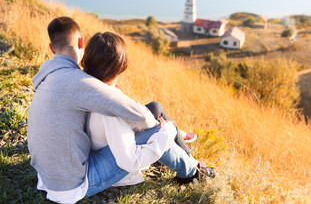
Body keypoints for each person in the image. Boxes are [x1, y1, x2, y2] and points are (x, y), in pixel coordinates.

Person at [26, 17, 212, 203]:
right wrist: (167, 130)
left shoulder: (51, 77)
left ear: (51, 48)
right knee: (158, 128)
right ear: (81, 41)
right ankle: (191, 171)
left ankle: (187, 161)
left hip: (47, 174)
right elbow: (136, 119)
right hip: (71, 184)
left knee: (154, 116)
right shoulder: (80, 82)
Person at [81, 32, 215, 198]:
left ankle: (189, 159)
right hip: (110, 158)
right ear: (118, 67)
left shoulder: (85, 85)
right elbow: (129, 160)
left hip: (102, 144)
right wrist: (164, 133)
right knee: (162, 130)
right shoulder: (111, 107)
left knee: (154, 108)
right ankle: (192, 171)